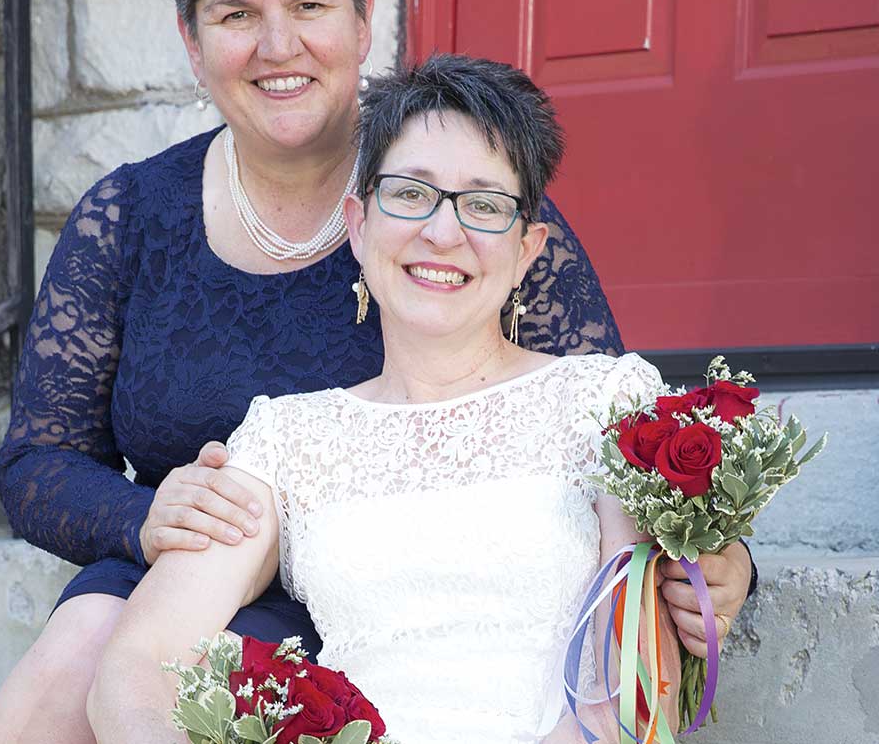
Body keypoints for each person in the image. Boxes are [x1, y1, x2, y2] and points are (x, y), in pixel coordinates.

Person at [0, 0, 752, 743]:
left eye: (310, 6)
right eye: (236, 14)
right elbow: (37, 461)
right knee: (95, 637)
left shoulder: (465, 210)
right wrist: (149, 517)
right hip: (209, 568)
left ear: (364, 14)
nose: (277, 46)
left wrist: (714, 560)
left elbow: (609, 437)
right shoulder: (131, 216)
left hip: (366, 606)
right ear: (191, 40)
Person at [88, 54, 710, 743]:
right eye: (411, 194)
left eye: (483, 204)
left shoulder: (605, 403)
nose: (443, 233)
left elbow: (629, 682)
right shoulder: (288, 440)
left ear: (528, 249)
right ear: (358, 224)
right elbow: (139, 662)